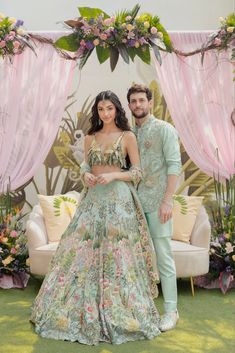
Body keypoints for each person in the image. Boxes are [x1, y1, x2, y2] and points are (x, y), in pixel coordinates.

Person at [30, 90, 161, 345]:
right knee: (80, 251)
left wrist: (113, 175)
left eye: (109, 108)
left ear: (117, 110)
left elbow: (138, 172)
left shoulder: (127, 136)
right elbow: (86, 166)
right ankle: (80, 307)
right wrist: (86, 176)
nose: (105, 113)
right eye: (101, 109)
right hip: (93, 199)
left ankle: (119, 309)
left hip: (119, 201)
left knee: (118, 255)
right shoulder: (90, 137)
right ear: (97, 111)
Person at [127, 84, 182, 332]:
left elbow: (173, 166)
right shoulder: (128, 134)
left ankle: (171, 311)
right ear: (129, 105)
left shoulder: (165, 130)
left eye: (141, 100)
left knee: (163, 258)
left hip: (158, 204)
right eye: (133, 101)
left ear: (150, 102)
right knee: (135, 258)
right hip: (131, 205)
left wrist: (167, 200)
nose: (138, 105)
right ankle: (141, 308)